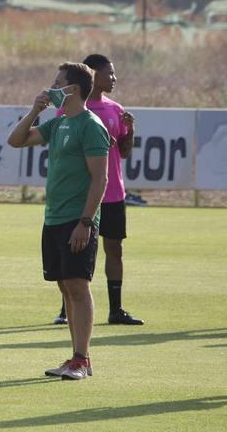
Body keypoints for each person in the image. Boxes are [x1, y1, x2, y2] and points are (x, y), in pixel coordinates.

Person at [8, 62, 110, 380]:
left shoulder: (90, 126)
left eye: (57, 83)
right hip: (53, 218)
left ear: (73, 89)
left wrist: (86, 221)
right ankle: (76, 359)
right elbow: (16, 140)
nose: (51, 88)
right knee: (65, 287)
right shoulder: (59, 123)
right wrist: (34, 110)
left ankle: (82, 358)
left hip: (76, 220)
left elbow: (100, 179)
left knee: (78, 286)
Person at [52, 53, 142, 326]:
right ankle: (66, 310)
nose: (114, 78)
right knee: (72, 252)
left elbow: (123, 152)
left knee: (114, 249)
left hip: (112, 193)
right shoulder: (70, 111)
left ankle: (116, 309)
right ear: (94, 75)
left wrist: (130, 132)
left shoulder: (116, 109)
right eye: (109, 73)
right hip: (81, 194)